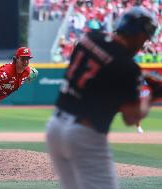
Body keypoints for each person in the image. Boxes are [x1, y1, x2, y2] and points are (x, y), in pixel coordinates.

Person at [46, 7, 158, 189]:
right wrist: (152, 96)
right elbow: (131, 117)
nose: (143, 44)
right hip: (84, 135)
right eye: (145, 38)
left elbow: (102, 65)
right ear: (138, 35)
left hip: (55, 128)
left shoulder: (89, 38)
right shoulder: (128, 67)